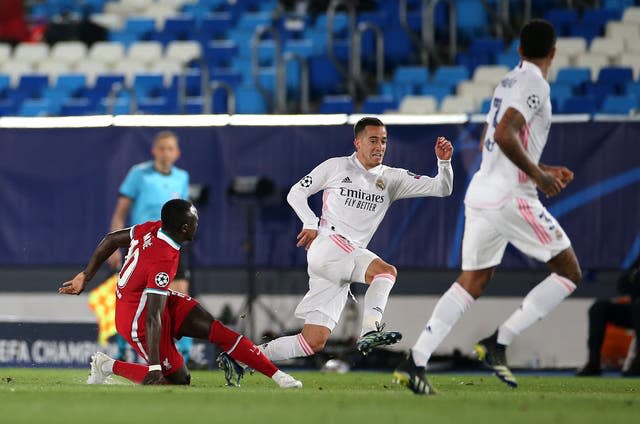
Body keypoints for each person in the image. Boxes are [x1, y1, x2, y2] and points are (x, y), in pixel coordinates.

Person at [393, 19, 582, 395]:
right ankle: (499, 342)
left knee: (473, 282)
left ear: (519, 50)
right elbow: (502, 135)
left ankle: (415, 360)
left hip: (481, 192)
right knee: (569, 271)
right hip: (510, 196)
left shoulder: (508, 81)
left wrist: (541, 169)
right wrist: (539, 178)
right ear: (554, 53)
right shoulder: (535, 84)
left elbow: (489, 145)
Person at [258, 117, 453, 363]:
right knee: (386, 272)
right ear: (357, 143)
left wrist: (444, 162)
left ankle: (244, 356)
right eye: (373, 140)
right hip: (329, 245)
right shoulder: (337, 167)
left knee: (313, 341)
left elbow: (442, 188)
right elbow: (296, 192)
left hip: (342, 261)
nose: (379, 146)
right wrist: (310, 223)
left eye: (383, 141)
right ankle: (370, 330)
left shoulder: (391, 178)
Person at [59, 199, 302, 388]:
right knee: (177, 381)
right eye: (195, 220)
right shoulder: (163, 259)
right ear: (184, 228)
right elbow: (153, 315)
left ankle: (279, 377)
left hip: (151, 298)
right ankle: (107, 365)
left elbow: (111, 239)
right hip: (136, 316)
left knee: (217, 330)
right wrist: (154, 366)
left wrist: (85, 276)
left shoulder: (153, 228)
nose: (198, 223)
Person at [108, 131, 194, 364]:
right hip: (144, 246)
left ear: (177, 153)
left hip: (172, 247)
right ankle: (122, 351)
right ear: (154, 150)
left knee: (179, 298)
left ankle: (183, 354)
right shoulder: (139, 174)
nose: (166, 153)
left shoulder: (182, 177)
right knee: (135, 300)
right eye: (162, 148)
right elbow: (119, 214)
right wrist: (115, 247)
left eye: (170, 149)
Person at [576, 252, 640, 377]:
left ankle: (638, 363)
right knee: (598, 308)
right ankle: (593, 363)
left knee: (638, 306)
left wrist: (635, 282)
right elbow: (622, 284)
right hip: (635, 311)